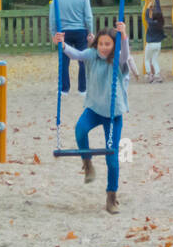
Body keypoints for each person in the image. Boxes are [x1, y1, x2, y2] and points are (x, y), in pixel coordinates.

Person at [53, 21, 131, 214]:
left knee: (112, 158)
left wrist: (124, 37)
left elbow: (125, 56)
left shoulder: (116, 61)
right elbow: (75, 54)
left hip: (113, 114)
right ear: (97, 44)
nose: (104, 48)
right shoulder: (91, 55)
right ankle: (87, 163)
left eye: (108, 44)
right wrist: (62, 44)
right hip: (95, 108)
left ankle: (111, 197)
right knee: (80, 129)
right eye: (101, 44)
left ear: (114, 46)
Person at [49, 0, 94, 95]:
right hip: (80, 30)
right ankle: (83, 89)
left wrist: (54, 33)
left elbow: (52, 17)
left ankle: (64, 89)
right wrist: (90, 31)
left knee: (63, 60)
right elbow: (88, 16)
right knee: (83, 58)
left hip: (63, 31)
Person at [143, 0, 164, 83]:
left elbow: (146, 16)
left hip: (150, 44)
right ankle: (158, 75)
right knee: (154, 60)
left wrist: (148, 8)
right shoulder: (161, 23)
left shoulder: (151, 23)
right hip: (158, 44)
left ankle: (150, 75)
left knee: (147, 60)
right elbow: (159, 12)